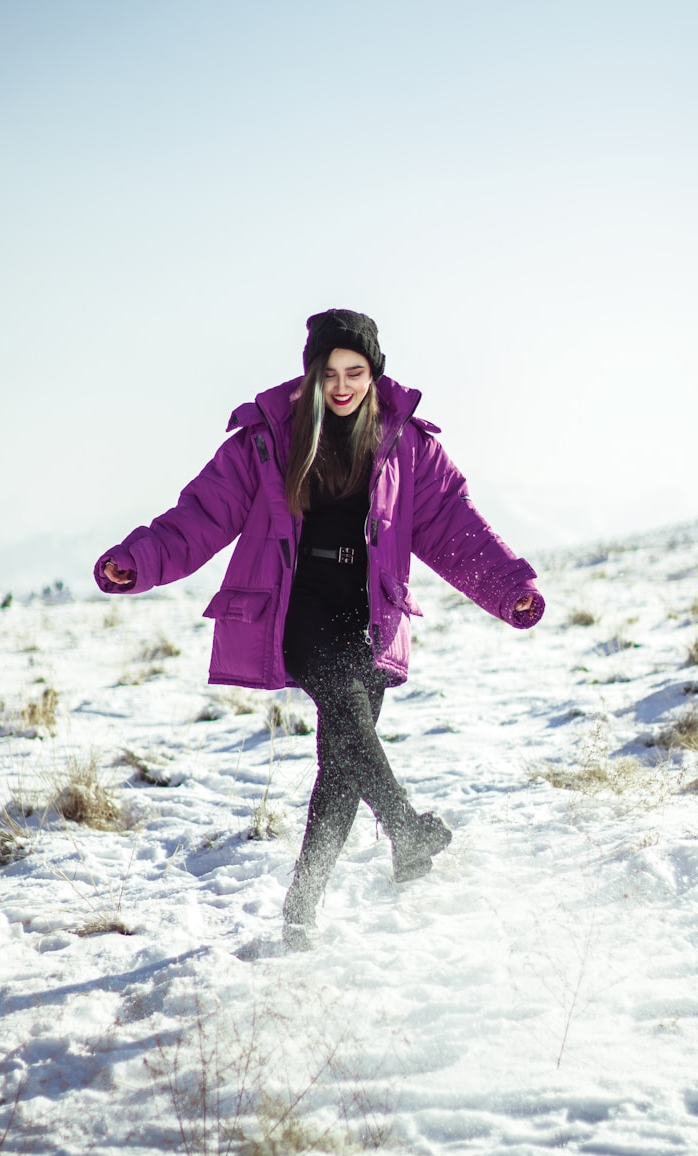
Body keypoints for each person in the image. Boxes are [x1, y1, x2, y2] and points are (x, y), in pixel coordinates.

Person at [94, 308, 545, 950]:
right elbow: (202, 514)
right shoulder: (268, 437)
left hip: (371, 610)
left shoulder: (408, 442)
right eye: (328, 372)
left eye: (354, 372)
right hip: (298, 607)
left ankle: (301, 910)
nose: (340, 386)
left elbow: (456, 526)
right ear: (310, 372)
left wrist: (512, 591)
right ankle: (406, 830)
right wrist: (136, 560)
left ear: (374, 373)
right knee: (349, 717)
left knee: (341, 762)